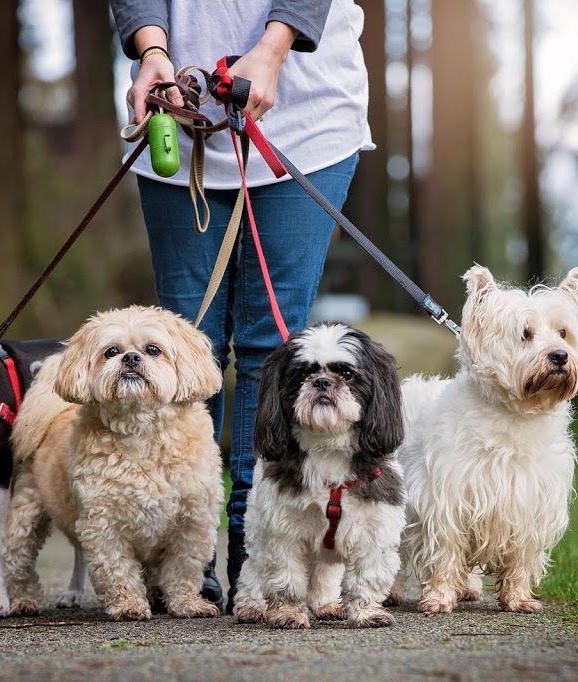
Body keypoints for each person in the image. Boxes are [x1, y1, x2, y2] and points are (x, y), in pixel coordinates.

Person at [109, 0, 374, 612]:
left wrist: (274, 47)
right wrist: (152, 50)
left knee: (271, 353)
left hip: (306, 123)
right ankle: (186, 558)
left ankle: (259, 558)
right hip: (175, 118)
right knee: (180, 350)